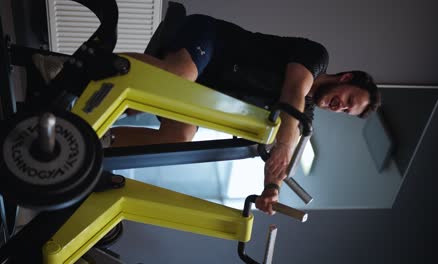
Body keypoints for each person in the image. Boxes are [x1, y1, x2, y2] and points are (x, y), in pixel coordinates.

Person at [108, 14, 381, 215]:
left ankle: (97, 140)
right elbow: (294, 93)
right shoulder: (316, 57)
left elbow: (284, 155)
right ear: (346, 77)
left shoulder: (303, 116)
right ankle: (94, 64)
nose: (340, 106)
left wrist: (272, 189)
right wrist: (284, 145)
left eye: (346, 110)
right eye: (348, 99)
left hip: (200, 86)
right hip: (212, 42)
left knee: (176, 138)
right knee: (176, 78)